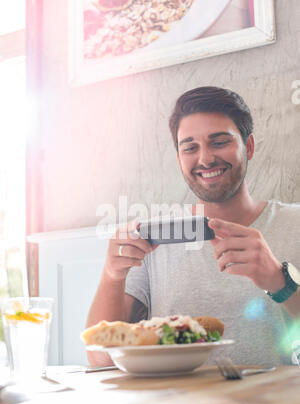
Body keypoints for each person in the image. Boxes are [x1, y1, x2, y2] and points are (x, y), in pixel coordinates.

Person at [87, 86, 300, 366]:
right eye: (190, 147)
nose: (205, 158)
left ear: (248, 147)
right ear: (179, 159)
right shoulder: (152, 239)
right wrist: (112, 275)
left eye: (219, 142)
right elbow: (99, 357)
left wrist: (280, 282)